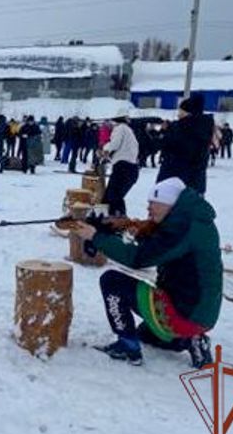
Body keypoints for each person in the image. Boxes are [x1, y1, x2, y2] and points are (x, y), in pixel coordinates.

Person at [72, 177, 222, 368]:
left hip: (183, 313)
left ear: (169, 203)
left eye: (153, 203)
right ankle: (191, 339)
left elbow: (138, 258)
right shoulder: (192, 219)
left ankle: (127, 346)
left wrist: (96, 236)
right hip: (201, 314)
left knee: (112, 281)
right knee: (146, 334)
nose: (149, 208)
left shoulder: (181, 228)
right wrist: (127, 226)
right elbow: (159, 239)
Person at [157, 94, 214, 195]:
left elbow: (168, 146)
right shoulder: (203, 127)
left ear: (188, 113)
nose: (178, 114)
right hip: (195, 182)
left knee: (172, 209)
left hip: (175, 181)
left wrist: (165, 132)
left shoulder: (183, 128)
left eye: (181, 111)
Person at [100, 117, 139, 216]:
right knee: (113, 196)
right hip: (131, 168)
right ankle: (108, 218)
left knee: (113, 196)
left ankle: (116, 221)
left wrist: (105, 149)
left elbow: (115, 144)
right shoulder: (129, 131)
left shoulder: (120, 128)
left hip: (123, 167)